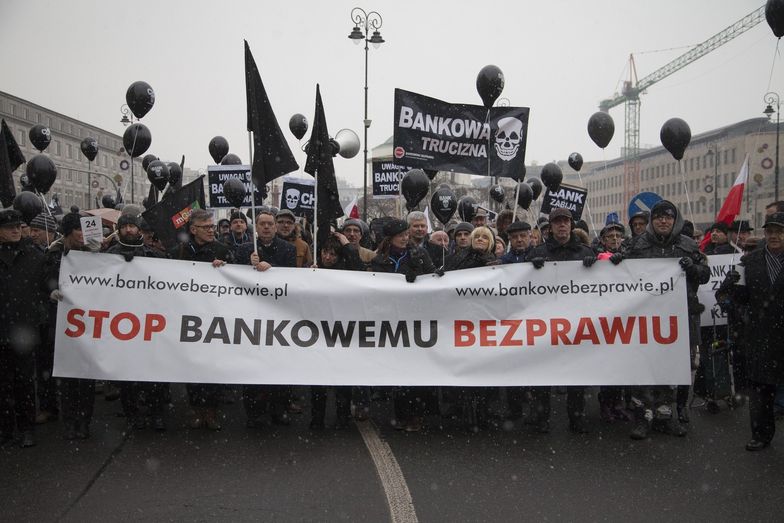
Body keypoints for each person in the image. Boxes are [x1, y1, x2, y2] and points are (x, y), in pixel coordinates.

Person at [624, 200, 709, 439]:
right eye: (659, 216)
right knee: (642, 370)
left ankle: (664, 415)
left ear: (675, 220)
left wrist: (692, 267)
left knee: (670, 370)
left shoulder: (688, 245)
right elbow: (619, 274)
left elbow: (704, 275)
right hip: (645, 320)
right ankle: (642, 418)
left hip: (676, 320)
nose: (663, 221)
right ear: (652, 220)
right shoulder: (636, 245)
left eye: (668, 217)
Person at [526, 208, 601, 434]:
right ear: (551, 226)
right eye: (557, 222)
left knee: (576, 377)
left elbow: (602, 285)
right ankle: (542, 419)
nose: (561, 226)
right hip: (545, 324)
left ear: (571, 224)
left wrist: (595, 265)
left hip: (575, 324)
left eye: (565, 222)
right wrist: (532, 266)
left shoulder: (585, 252)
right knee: (543, 376)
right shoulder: (538, 252)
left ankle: (576, 419)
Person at [716, 212, 784, 451]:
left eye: (780, 231)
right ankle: (761, 434)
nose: (774, 235)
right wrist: (730, 286)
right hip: (760, 335)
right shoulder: (750, 261)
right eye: (771, 231)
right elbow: (741, 298)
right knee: (760, 390)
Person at [169, 209, 233, 431]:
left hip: (215, 317)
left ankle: (212, 413)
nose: (211, 230)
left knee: (212, 369)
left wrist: (224, 269)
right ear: (193, 229)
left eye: (212, 226)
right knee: (193, 368)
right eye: (206, 227)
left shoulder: (223, 251)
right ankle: (197, 411)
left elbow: (236, 279)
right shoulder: (180, 252)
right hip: (189, 317)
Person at [105, 214, 170, 431]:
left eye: (132, 226)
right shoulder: (108, 257)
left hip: (150, 323)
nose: (129, 230)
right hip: (122, 324)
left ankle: (157, 413)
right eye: (125, 227)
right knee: (127, 375)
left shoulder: (155, 256)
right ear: (119, 229)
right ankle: (133, 414)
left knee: (154, 373)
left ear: (139, 230)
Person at [370, 219, 435, 431]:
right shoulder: (380, 259)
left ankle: (416, 415)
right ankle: (400, 414)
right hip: (391, 320)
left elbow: (432, 278)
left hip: (415, 319)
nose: (406, 237)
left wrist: (424, 276)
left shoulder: (419, 255)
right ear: (390, 238)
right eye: (401, 235)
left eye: (406, 234)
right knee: (398, 371)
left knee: (416, 370)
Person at [236, 210, 297, 427]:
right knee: (253, 368)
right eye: (262, 224)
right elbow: (233, 278)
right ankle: (254, 412)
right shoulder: (244, 249)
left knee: (279, 367)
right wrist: (247, 264)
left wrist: (273, 271)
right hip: (252, 317)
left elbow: (293, 278)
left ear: (275, 226)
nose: (266, 227)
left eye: (270, 224)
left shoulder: (288, 249)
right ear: (256, 226)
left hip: (279, 316)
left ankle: (279, 409)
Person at [44, 208, 95, 440]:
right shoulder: (54, 254)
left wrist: (100, 257)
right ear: (68, 232)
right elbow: (43, 280)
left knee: (85, 376)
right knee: (66, 376)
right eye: (77, 229)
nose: (82, 234)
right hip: (63, 323)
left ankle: (84, 421)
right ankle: (69, 421)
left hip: (89, 323)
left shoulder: (93, 254)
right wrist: (51, 290)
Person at [442, 226, 497, 429]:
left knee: (483, 368)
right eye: (477, 237)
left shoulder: (495, 262)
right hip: (461, 318)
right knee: (463, 365)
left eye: (485, 237)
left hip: (484, 321)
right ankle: (463, 410)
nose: (480, 240)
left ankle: (483, 411)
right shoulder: (457, 258)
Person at [0, 210, 45, 448]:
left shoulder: (34, 256)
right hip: (3, 330)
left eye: (18, 226)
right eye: (10, 227)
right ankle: (6, 429)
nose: (16, 230)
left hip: (25, 331)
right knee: (4, 384)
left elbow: (48, 283)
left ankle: (26, 428)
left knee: (25, 382)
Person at [310, 232, 364, 430]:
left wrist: (347, 244)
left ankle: (343, 417)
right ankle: (317, 419)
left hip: (342, 331)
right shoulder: (312, 270)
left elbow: (359, 267)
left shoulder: (346, 271)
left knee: (342, 378)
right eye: (325, 252)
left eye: (333, 254)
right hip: (319, 332)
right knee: (318, 380)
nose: (327, 257)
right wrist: (309, 275)